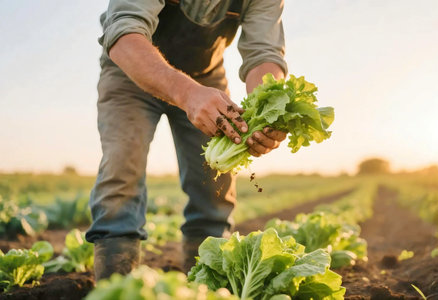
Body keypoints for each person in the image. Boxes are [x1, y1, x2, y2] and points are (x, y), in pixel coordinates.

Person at [85, 0, 289, 280]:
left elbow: (264, 54)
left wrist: (267, 111)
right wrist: (186, 93)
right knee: (123, 166)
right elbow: (124, 32)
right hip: (130, 71)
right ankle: (115, 280)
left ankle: (208, 277)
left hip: (206, 75)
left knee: (214, 183)